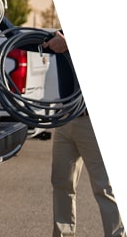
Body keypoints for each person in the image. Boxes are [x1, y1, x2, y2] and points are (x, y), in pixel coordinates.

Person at [42, 30, 125, 237]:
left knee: (105, 188)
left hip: (92, 121)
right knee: (62, 183)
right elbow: (17, 38)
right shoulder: (57, 36)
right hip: (66, 120)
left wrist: (72, 44)